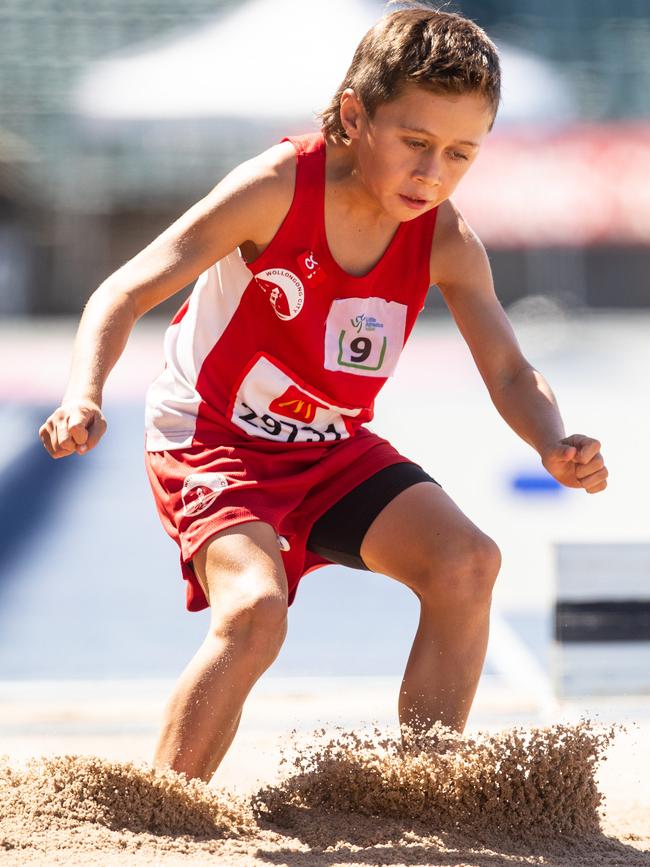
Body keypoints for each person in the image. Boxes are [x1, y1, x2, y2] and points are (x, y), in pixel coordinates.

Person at [39, 4, 608, 784]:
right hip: (211, 439)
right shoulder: (274, 188)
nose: (433, 174)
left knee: (468, 562)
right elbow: (122, 290)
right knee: (255, 611)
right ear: (354, 116)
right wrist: (84, 394)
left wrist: (551, 438)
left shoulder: (444, 236)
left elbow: (510, 370)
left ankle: (422, 787)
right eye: (415, 143)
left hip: (329, 446)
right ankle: (165, 808)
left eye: (460, 154)